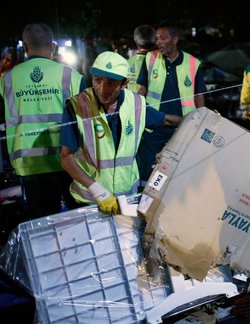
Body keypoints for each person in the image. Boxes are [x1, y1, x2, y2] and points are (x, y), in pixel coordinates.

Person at [60, 51, 182, 214]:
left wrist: (200, 118)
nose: (102, 89)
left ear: (124, 83)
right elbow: (66, 157)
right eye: (97, 80)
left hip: (127, 198)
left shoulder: (136, 103)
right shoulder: (77, 106)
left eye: (111, 83)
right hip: (89, 201)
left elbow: (166, 120)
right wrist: (98, 191)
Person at [0, 23, 86, 218]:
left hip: (28, 162)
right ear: (53, 46)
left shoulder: (7, 79)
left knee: (43, 223)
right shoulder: (71, 76)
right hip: (67, 160)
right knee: (76, 219)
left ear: (26, 47)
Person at [135, 20, 206, 184]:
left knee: (179, 176)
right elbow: (142, 90)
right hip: (154, 129)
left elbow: (199, 96)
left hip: (183, 129)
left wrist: (203, 122)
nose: (158, 42)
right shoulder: (150, 59)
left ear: (175, 39)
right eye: (156, 38)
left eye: (162, 38)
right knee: (149, 176)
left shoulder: (193, 63)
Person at [127, 25, 156, 93]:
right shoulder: (161, 62)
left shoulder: (128, 63)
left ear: (135, 42)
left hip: (132, 102)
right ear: (155, 41)